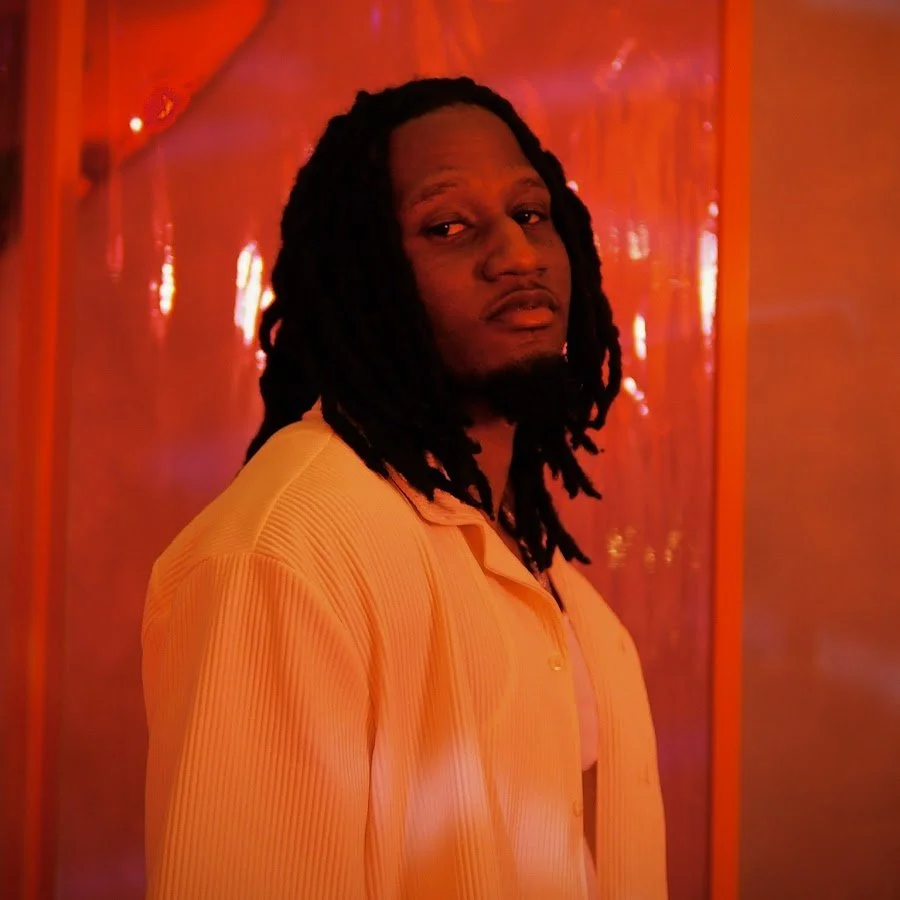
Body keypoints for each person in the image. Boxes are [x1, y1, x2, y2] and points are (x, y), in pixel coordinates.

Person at [142, 76, 667, 899]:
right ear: (366, 276)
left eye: (531, 214)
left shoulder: (552, 584)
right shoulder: (286, 553)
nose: (519, 255)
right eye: (449, 226)